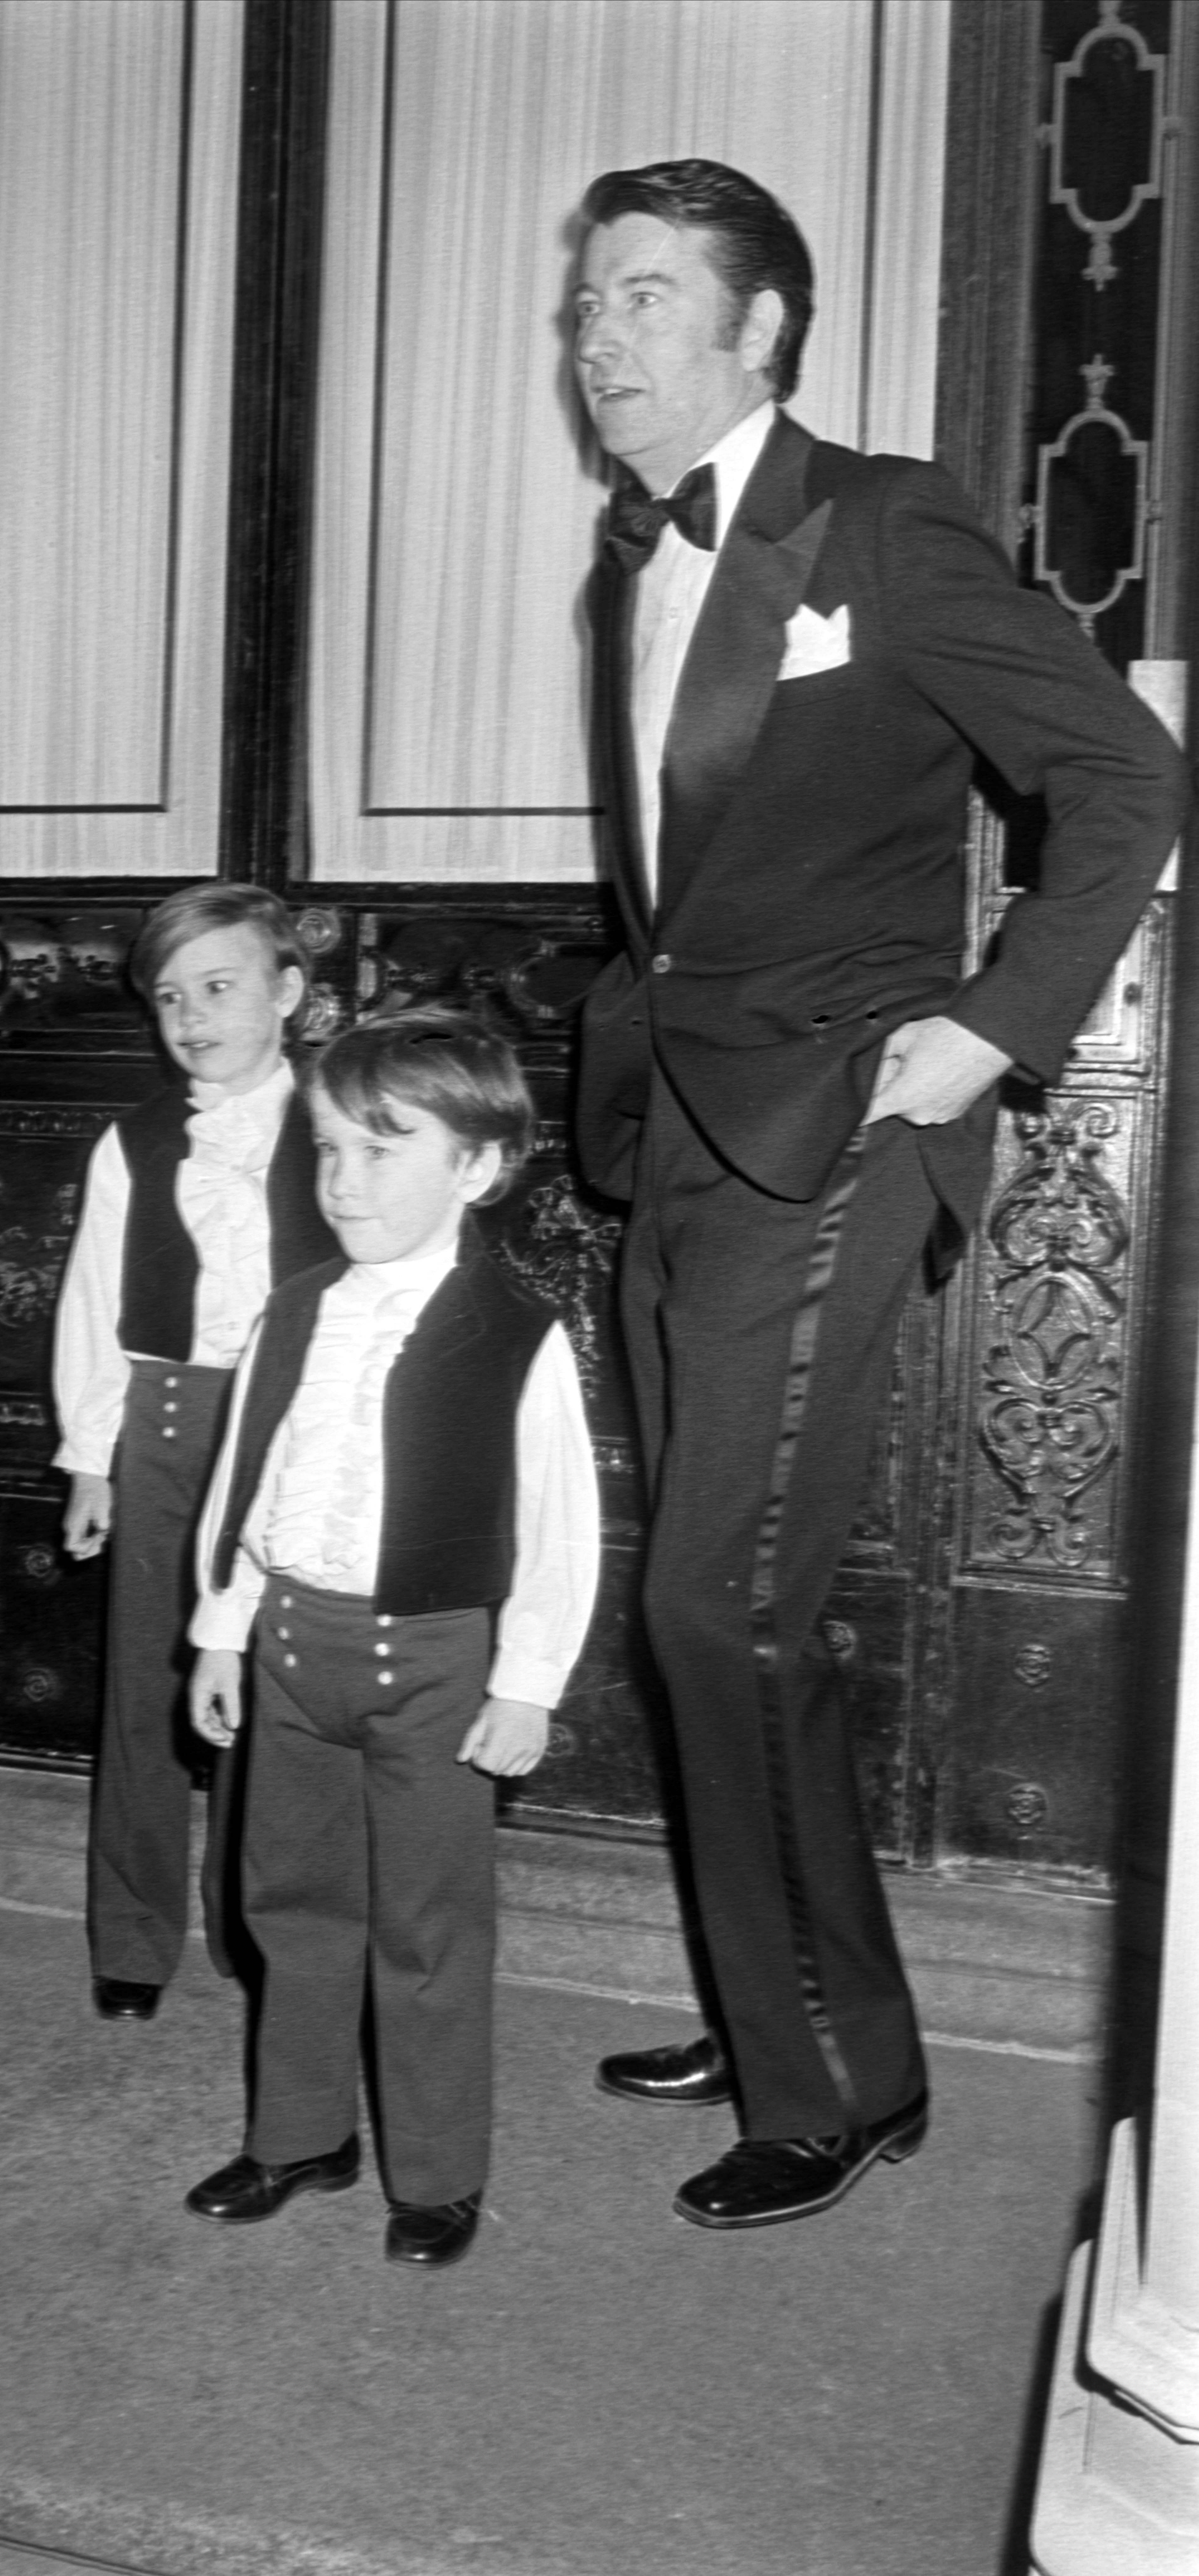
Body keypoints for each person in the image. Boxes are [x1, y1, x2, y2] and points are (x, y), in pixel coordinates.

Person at [570, 158, 1190, 2230]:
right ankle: (814, 2026)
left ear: (762, 331)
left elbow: (1125, 777)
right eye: (590, 302)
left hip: (843, 1130)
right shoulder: (622, 561)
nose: (601, 335)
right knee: (732, 1620)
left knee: (709, 1607)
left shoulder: (886, 524)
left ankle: (811, 2076)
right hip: (678, 1133)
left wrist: (993, 1026)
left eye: (647, 298)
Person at [181, 1010, 600, 2267]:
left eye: (381, 1150)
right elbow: (245, 1482)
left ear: (475, 1166)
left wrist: (527, 1682)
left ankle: (434, 2171)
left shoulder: (511, 1334)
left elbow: (559, 1523)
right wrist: (220, 1629)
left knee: (426, 1923)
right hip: (290, 1653)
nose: (343, 1182)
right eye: (324, 1151)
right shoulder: (293, 1314)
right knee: (292, 1903)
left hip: (429, 1665)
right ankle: (301, 2131)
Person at [52, 883, 338, 2020]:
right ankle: (132, 1932)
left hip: (300, 1427)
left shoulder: (342, 1121)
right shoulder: (135, 1142)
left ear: (289, 993)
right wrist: (91, 1451)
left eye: (220, 987)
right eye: (171, 997)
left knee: (280, 1682)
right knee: (153, 1681)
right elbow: (97, 1296)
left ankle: (260, 1923)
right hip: (169, 1424)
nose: (193, 1016)